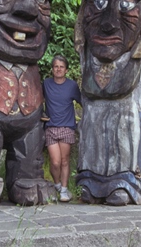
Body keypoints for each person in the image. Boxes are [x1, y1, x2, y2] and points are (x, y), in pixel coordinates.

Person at [43, 55, 81, 202]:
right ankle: (57, 184)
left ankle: (64, 190)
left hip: (67, 127)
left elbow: (82, 101)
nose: (58, 69)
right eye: (56, 66)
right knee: (55, 161)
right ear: (52, 69)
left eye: (61, 67)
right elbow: (38, 99)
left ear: (66, 70)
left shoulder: (72, 85)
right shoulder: (46, 83)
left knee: (64, 160)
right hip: (51, 127)